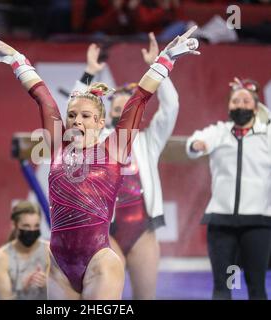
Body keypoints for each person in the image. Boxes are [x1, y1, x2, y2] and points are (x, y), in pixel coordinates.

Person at [0, 27, 199, 299]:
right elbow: (42, 96)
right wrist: (17, 59)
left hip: (99, 262)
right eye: (72, 115)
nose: (76, 121)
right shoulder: (57, 146)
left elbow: (140, 97)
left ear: (100, 123)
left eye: (86, 116)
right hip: (59, 266)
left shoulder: (115, 148)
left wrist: (166, 59)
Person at [71, 33, 179, 299]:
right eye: (117, 110)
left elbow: (171, 106)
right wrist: (89, 73)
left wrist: (159, 65)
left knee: (145, 296)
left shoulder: (148, 141)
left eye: (127, 109)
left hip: (142, 230)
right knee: (107, 297)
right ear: (109, 115)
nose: (122, 114)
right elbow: (72, 113)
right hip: (107, 230)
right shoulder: (96, 140)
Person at [186, 78, 271, 300]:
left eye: (246, 101)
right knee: (223, 287)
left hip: (258, 223)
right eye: (235, 101)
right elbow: (195, 141)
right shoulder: (220, 132)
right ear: (228, 106)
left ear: (256, 106)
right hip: (221, 224)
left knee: (257, 288)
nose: (240, 105)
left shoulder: (267, 135)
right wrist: (196, 145)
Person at [0, 201, 49, 300]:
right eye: (26, 226)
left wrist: (48, 284)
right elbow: (5, 298)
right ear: (14, 225)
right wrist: (23, 289)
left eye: (36, 226)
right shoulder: (1, 258)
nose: (32, 230)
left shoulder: (50, 252)